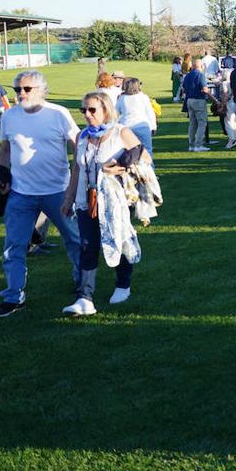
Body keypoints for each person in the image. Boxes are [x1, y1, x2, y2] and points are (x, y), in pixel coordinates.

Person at [0, 71, 82, 319]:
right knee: (13, 246)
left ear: (42, 90)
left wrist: (76, 185)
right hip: (21, 194)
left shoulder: (58, 114)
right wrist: (0, 175)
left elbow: (77, 148)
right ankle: (13, 296)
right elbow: (6, 150)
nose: (21, 93)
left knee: (74, 240)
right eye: (18, 88)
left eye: (27, 89)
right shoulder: (10, 116)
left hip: (58, 192)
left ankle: (83, 285)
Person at [59, 91, 146, 316]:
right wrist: (68, 199)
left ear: (106, 109)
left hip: (114, 200)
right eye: (83, 110)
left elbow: (142, 156)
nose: (87, 114)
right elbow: (77, 168)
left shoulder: (120, 132)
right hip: (85, 201)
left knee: (119, 240)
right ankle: (85, 298)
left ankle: (123, 284)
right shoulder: (82, 136)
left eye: (92, 110)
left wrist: (117, 164)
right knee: (88, 246)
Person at [115, 77, 157, 154]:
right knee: (147, 150)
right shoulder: (143, 97)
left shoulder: (122, 98)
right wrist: (153, 126)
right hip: (143, 126)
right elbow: (150, 113)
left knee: (128, 151)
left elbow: (115, 114)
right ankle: (149, 165)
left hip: (127, 126)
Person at [182, 62, 213, 153]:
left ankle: (191, 145)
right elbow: (204, 89)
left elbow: (184, 89)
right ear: (201, 66)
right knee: (202, 122)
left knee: (192, 123)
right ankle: (198, 145)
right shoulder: (200, 75)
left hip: (189, 100)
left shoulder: (187, 76)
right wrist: (209, 91)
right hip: (199, 100)